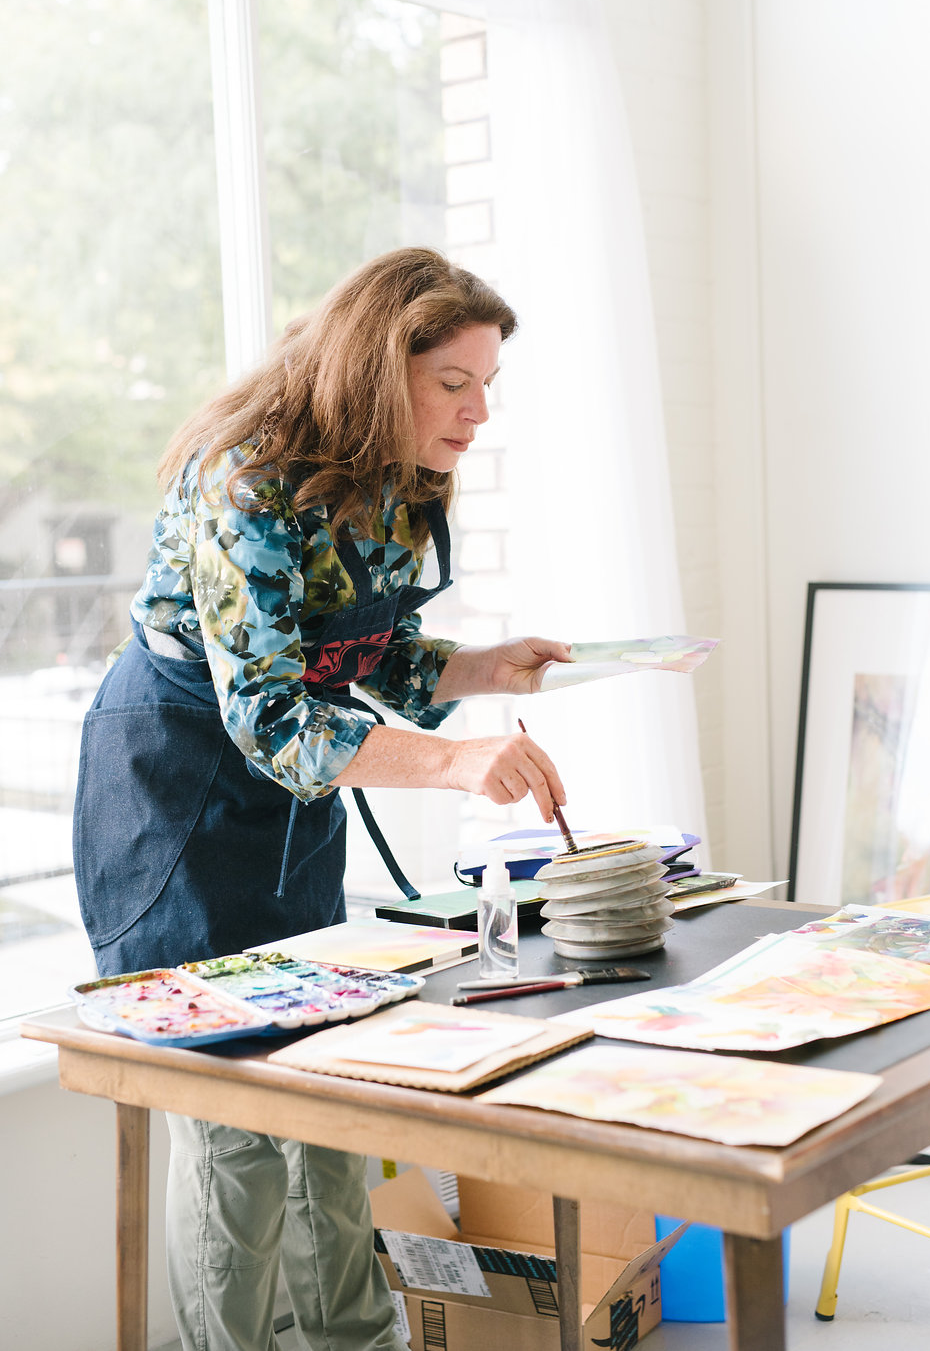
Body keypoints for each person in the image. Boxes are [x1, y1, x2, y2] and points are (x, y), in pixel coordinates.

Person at [72, 246, 570, 1351]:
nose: (479, 410)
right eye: (456, 382)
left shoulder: (402, 480)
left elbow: (371, 658)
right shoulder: (242, 479)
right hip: (179, 796)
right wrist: (452, 764)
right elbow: (272, 717)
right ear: (377, 367)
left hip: (294, 797)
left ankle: (356, 1336)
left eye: (488, 384)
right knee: (240, 1112)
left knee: (334, 1074)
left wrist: (485, 668)